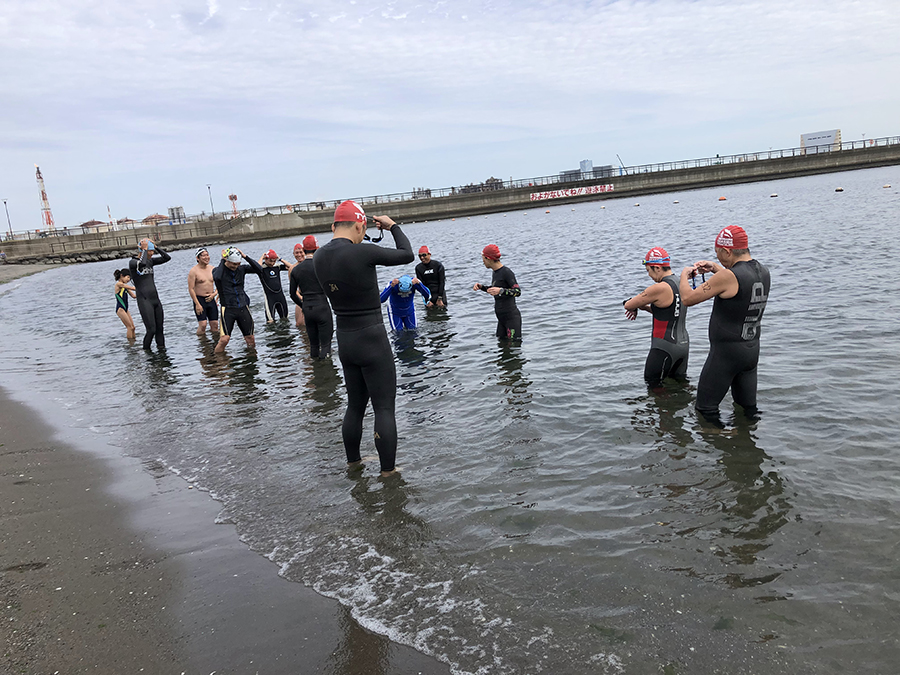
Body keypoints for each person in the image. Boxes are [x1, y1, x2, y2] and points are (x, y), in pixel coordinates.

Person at [313, 200, 414, 477]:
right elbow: (407, 255)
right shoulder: (363, 252)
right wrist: (392, 226)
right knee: (383, 407)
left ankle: (353, 463)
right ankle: (388, 472)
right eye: (362, 229)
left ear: (334, 225)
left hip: (345, 340)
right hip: (372, 338)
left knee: (355, 406)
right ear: (360, 225)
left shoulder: (319, 256)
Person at [679, 226, 770, 424]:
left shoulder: (728, 277)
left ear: (727, 251)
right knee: (747, 410)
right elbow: (737, 284)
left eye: (718, 253)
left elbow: (687, 298)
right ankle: (747, 447)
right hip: (750, 352)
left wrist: (684, 276)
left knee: (705, 410)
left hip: (726, 355)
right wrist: (714, 267)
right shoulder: (762, 271)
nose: (718, 257)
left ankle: (718, 448)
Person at [624, 247, 689, 387]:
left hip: (664, 347)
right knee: (681, 387)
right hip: (683, 346)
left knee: (653, 386)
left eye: (648, 270)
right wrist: (646, 308)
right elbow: (669, 312)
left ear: (658, 267)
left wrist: (632, 305)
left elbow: (628, 305)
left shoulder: (659, 288)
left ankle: (661, 408)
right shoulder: (681, 283)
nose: (649, 275)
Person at [212, 246, 265, 354]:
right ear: (227, 260)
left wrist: (245, 256)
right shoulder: (218, 270)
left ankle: (251, 359)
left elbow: (259, 269)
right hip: (227, 308)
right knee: (224, 339)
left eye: (238, 264)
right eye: (234, 264)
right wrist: (223, 259)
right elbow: (217, 278)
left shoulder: (241, 269)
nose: (236, 266)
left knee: (250, 338)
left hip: (242, 306)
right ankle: (219, 362)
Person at [289, 235, 334, 359]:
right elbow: (332, 286)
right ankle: (326, 373)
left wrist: (303, 305)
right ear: (317, 248)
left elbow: (292, 294)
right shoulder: (323, 266)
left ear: (303, 249)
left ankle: (316, 370)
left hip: (308, 309)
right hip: (322, 307)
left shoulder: (296, 270)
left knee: (313, 346)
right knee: (325, 345)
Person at [128, 238, 171, 351]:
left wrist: (156, 247)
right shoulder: (133, 262)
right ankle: (147, 353)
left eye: (152, 251)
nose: (151, 254)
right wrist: (145, 249)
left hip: (155, 300)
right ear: (141, 250)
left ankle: (162, 351)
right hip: (144, 300)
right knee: (151, 330)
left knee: (160, 329)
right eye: (150, 251)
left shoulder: (151, 262)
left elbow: (167, 258)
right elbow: (141, 264)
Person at [472, 244, 522, 340]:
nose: (483, 262)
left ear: (489, 258)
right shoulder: (495, 272)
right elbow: (495, 290)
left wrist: (501, 291)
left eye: (483, 259)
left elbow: (517, 291)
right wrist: (482, 287)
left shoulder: (506, 272)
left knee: (513, 347)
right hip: (501, 319)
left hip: (511, 318)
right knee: (501, 345)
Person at [188, 247, 219, 336]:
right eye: (203, 256)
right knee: (203, 325)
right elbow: (191, 289)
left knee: (215, 325)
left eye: (207, 255)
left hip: (211, 298)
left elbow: (219, 284)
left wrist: (215, 294)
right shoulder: (193, 271)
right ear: (198, 258)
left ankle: (214, 345)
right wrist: (197, 304)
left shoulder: (213, 269)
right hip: (200, 299)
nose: (206, 257)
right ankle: (202, 344)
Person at [256, 249, 291, 322]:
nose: (272, 263)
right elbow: (256, 267)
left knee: (285, 319)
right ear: (266, 259)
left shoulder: (277, 266)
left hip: (280, 296)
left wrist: (280, 259)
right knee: (270, 321)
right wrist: (262, 257)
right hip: (269, 298)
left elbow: (291, 267)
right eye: (270, 261)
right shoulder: (262, 268)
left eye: (274, 261)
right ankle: (272, 333)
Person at [113, 268, 137, 340]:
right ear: (121, 276)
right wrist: (141, 286)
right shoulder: (119, 284)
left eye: (130, 278)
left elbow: (134, 296)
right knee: (129, 327)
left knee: (133, 327)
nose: (129, 279)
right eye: (128, 277)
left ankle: (134, 341)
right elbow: (132, 288)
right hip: (120, 309)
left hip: (126, 309)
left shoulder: (125, 286)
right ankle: (130, 344)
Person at [290, 242, 306, 329]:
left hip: (312, 296)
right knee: (300, 324)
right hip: (300, 296)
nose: (299, 255)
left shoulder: (311, 264)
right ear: (293, 254)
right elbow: (293, 289)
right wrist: (300, 298)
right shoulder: (292, 269)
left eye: (301, 252)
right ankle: (304, 341)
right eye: (297, 253)